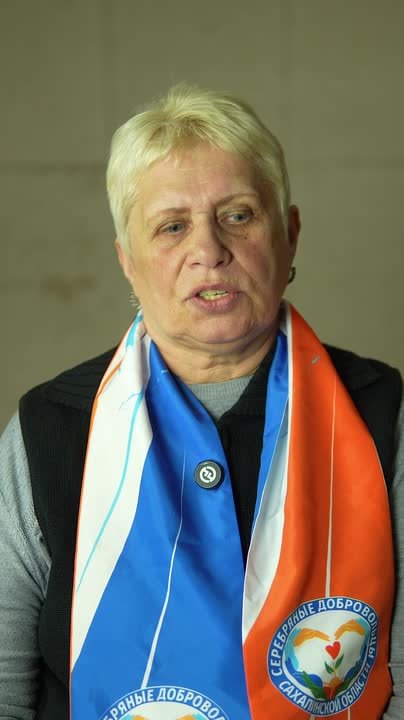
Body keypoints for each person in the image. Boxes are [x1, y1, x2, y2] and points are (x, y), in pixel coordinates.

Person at [0, 84, 403, 720]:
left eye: (238, 215)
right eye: (172, 226)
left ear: (290, 235)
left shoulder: (385, 416)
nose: (209, 251)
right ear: (128, 261)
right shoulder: (47, 430)